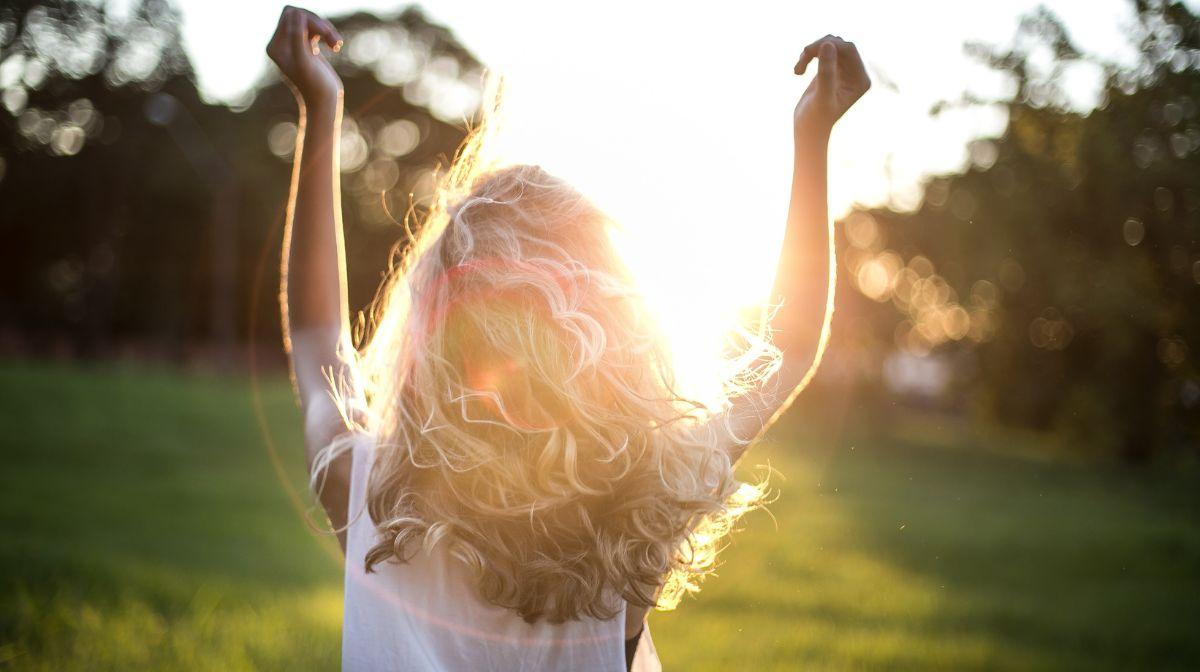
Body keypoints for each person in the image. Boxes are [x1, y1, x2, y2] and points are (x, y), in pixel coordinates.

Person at [266, 6, 869, 670]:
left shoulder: (364, 491)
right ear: (611, 335)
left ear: (431, 342)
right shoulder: (641, 511)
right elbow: (787, 342)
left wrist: (320, 111)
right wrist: (813, 139)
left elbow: (319, 332)